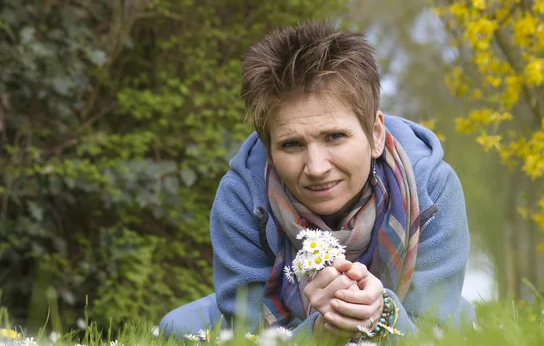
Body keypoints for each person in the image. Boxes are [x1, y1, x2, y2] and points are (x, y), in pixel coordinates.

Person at [159, 20, 475, 342]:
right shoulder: (241, 196)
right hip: (290, 325)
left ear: (375, 134)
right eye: (291, 144)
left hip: (402, 308)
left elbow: (429, 332)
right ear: (268, 150)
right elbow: (251, 334)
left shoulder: (431, 186)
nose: (316, 167)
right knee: (177, 328)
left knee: (460, 328)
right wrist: (320, 333)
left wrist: (382, 314)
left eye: (335, 137)